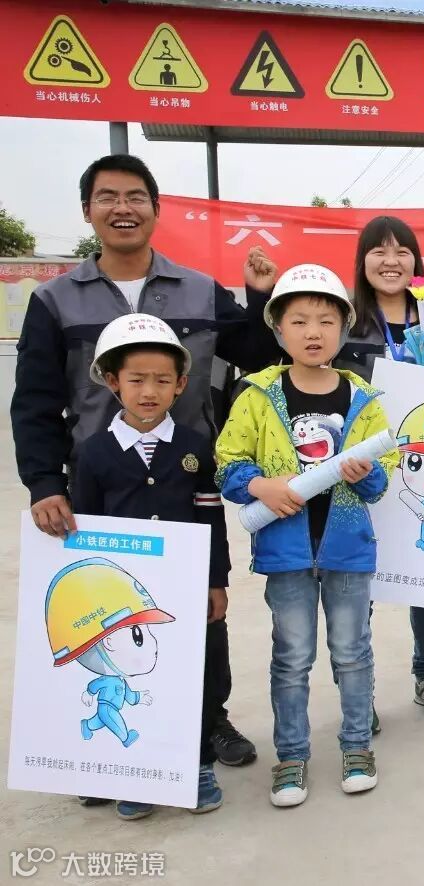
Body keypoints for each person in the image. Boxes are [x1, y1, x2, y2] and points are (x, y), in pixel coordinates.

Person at [13, 153, 272, 771]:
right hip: (98, 485)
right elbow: (35, 399)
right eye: (108, 197)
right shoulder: (54, 300)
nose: (122, 208)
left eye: (135, 197)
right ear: (88, 211)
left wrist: (260, 296)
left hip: (186, 475)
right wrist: (45, 483)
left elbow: (260, 357)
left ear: (156, 210)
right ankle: (106, 745)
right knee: (105, 609)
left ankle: (209, 719)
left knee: (200, 602)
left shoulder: (200, 290)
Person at [215, 264, 397, 807]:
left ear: (344, 328)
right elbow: (227, 463)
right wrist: (261, 486)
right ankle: (291, 756)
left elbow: (381, 482)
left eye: (325, 320)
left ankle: (357, 746)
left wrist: (366, 475)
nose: (313, 332)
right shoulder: (256, 395)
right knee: (292, 658)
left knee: (352, 653)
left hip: (347, 552)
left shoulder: (363, 396)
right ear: (278, 329)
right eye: (299, 321)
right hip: (285, 553)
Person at [69, 314, 232, 819]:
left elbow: (211, 515)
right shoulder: (92, 454)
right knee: (133, 680)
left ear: (181, 385)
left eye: (163, 380)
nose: (149, 391)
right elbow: (84, 535)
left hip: (187, 591)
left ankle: (197, 765)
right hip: (122, 603)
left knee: (201, 673)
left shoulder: (195, 447)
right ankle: (133, 772)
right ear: (112, 381)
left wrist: (216, 581)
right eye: (136, 379)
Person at [338, 216, 424, 724]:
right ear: (362, 261)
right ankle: (358, 690)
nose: (391, 261)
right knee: (357, 585)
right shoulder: (344, 322)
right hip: (360, 472)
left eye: (402, 251)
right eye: (379, 251)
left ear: (416, 261)